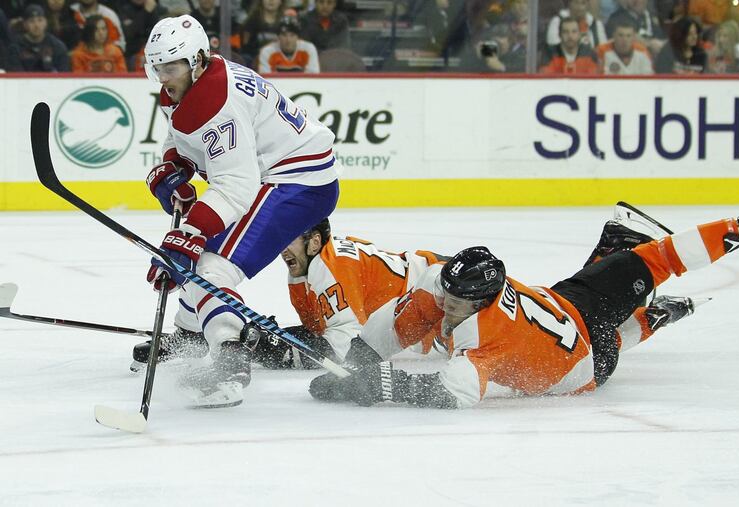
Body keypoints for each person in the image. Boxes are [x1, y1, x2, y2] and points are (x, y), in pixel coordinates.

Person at [309, 189, 739, 409]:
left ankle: (656, 312)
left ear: (484, 301)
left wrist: (382, 385)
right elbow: (395, 324)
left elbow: (456, 392)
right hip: (568, 312)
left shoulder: (486, 336)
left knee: (641, 280)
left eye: (461, 302)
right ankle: (655, 301)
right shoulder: (447, 288)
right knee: (638, 267)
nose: (447, 303)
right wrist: (361, 360)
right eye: (447, 290)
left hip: (586, 359)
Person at [131, 201, 673, 373]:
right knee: (565, 311)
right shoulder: (316, 263)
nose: (279, 244)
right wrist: (261, 337)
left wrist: (263, 345)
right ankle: (629, 268)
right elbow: (329, 328)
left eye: (291, 236)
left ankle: (631, 257)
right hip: (424, 295)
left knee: (556, 318)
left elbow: (344, 352)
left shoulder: (326, 272)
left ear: (317, 239)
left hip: (435, 301)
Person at [141, 14, 339, 408]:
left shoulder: (218, 100)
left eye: (172, 66)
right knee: (196, 258)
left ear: (197, 60)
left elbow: (236, 186)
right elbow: (180, 135)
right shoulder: (189, 85)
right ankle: (192, 335)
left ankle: (230, 360)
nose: (164, 76)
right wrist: (173, 166)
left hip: (298, 183)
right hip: (275, 176)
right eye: (157, 66)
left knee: (210, 264)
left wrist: (190, 234)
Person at [8, 3, 70, 72]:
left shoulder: (57, 46)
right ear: (25, 24)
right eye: (31, 21)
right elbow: (16, 76)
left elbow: (64, 75)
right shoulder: (15, 47)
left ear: (45, 22)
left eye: (40, 20)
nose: (36, 25)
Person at [240, 0, 285, 67]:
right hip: (255, 58)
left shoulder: (285, 21)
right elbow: (246, 46)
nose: (271, 1)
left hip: (280, 58)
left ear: (281, 1)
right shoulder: (251, 21)